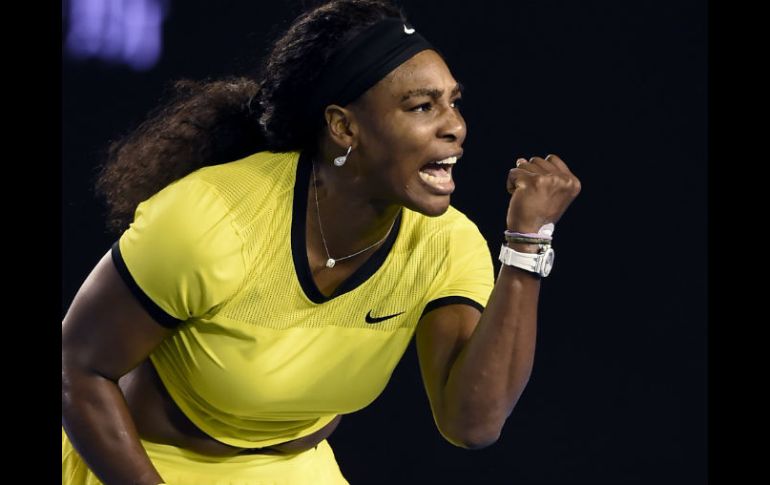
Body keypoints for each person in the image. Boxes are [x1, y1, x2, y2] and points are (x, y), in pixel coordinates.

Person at [61, 0, 582, 483]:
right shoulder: (211, 219)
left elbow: (472, 423)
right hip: (141, 463)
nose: (456, 127)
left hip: (297, 469)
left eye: (453, 102)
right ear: (343, 127)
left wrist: (526, 242)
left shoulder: (445, 244)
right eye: (422, 107)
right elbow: (76, 370)